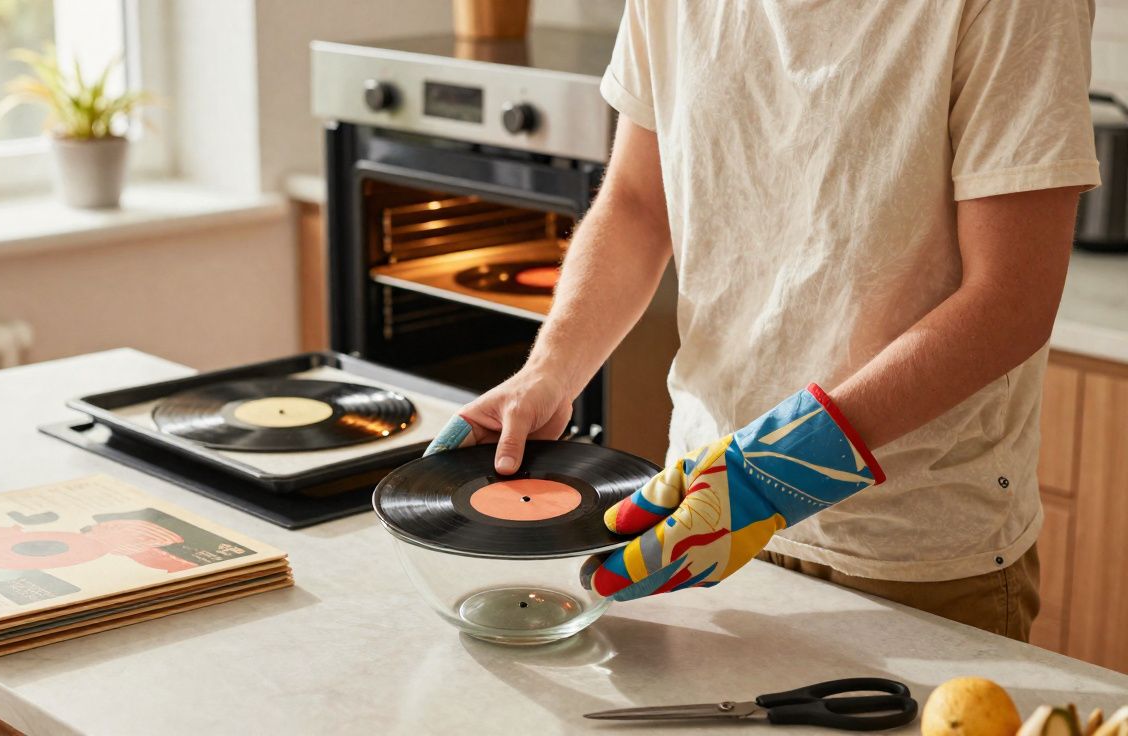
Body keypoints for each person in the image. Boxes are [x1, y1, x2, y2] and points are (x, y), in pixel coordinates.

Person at [426, 0, 1100, 642]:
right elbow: (637, 202)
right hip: (696, 516)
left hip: (910, 552)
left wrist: (776, 471)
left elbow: (1011, 300)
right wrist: (549, 371)